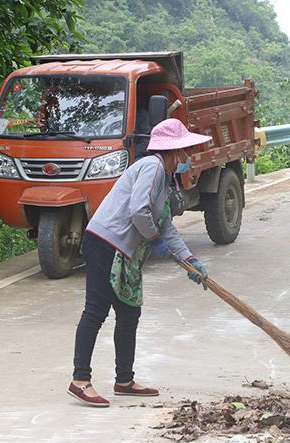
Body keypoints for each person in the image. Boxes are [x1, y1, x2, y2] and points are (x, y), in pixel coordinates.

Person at [68, 118, 211, 407]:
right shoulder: (151, 167)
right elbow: (138, 211)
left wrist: (190, 260)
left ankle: (124, 380)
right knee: (96, 311)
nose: (187, 157)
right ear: (173, 151)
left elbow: (166, 225)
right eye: (185, 151)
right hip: (105, 243)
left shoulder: (165, 181)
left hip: (124, 252)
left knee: (129, 312)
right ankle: (80, 380)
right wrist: (153, 238)